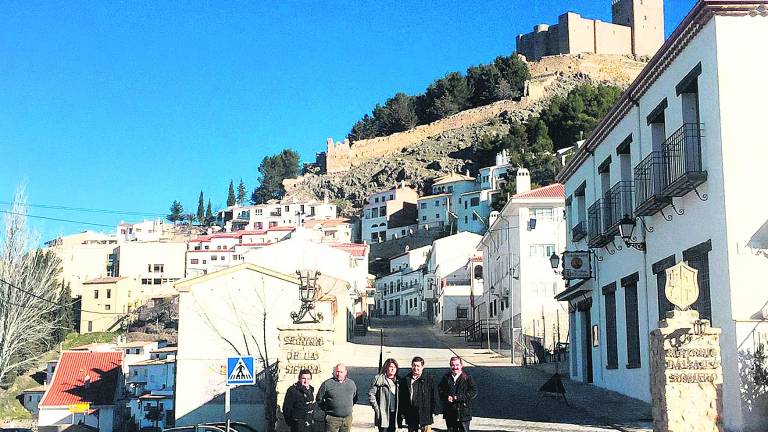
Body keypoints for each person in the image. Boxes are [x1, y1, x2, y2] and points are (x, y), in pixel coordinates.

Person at [438, 356, 478, 432]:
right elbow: (440, 390)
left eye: (457, 365)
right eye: (453, 365)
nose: (455, 367)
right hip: (450, 411)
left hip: (463, 412)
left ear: (461, 366)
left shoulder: (467, 377)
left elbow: (474, 391)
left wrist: (460, 397)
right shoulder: (446, 377)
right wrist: (446, 397)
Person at [398, 356, 438, 432]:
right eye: (414, 365)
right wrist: (402, 412)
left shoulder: (429, 378)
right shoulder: (406, 380)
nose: (415, 368)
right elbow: (402, 398)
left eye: (418, 366)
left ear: (422, 367)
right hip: (411, 412)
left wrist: (434, 409)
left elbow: (434, 394)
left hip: (425, 412)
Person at [317, 363, 358, 432]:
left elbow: (355, 398)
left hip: (347, 420)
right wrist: (327, 409)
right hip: (332, 420)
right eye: (337, 371)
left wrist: (346, 408)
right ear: (334, 372)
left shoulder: (351, 383)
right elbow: (319, 399)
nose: (339, 374)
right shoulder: (327, 384)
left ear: (345, 372)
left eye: (341, 372)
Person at [368, 358, 400, 432]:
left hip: (394, 414)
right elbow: (371, 394)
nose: (393, 369)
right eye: (391, 367)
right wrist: (377, 409)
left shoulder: (398, 380)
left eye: (395, 367)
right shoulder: (379, 379)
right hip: (383, 413)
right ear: (386, 367)